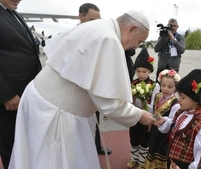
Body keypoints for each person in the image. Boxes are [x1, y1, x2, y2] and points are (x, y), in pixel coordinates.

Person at [8, 10, 156, 169]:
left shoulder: (99, 26)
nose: (136, 46)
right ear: (131, 29)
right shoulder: (108, 39)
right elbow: (109, 104)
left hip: (44, 101)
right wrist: (140, 115)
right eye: (139, 41)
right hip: (56, 113)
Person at [0, 0, 42, 168]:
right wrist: (6, 94)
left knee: (26, 145)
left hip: (25, 94)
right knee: (12, 148)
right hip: (10, 98)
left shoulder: (13, 13)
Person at [156, 69, 201, 169]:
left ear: (196, 100)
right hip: (173, 160)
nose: (179, 99)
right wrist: (163, 121)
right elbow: (174, 125)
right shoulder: (182, 111)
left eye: (183, 97)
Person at [78, 2, 112, 156]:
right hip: (77, 89)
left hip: (94, 86)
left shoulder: (100, 37)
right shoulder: (73, 37)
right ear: (81, 16)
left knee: (95, 118)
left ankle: (96, 146)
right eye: (92, 20)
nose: (96, 25)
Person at [127, 48, 160, 169]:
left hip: (148, 117)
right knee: (134, 138)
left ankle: (142, 161)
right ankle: (134, 158)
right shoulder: (133, 83)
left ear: (149, 71)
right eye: (138, 71)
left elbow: (157, 104)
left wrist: (153, 119)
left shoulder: (154, 85)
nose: (141, 74)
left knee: (145, 141)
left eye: (144, 71)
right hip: (135, 116)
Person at [144, 69, 181, 169]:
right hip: (154, 129)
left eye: (170, 87)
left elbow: (172, 122)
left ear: (175, 87)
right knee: (152, 147)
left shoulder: (175, 104)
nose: (165, 89)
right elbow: (153, 109)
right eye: (163, 85)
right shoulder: (158, 96)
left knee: (161, 151)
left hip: (164, 135)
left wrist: (162, 120)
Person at [154, 18, 185, 82]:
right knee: (159, 85)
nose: (172, 28)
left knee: (172, 85)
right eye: (170, 26)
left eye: (174, 26)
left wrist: (173, 39)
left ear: (177, 27)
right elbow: (156, 49)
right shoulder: (163, 35)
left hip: (173, 67)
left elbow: (182, 50)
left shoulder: (180, 37)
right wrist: (162, 38)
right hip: (162, 66)